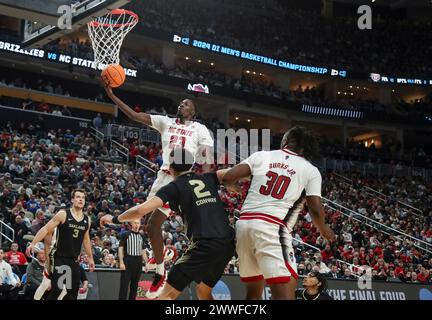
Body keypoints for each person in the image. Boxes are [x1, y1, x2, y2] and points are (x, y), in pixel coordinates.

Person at [102, 81, 214, 298]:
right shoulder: (166, 122)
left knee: (197, 223)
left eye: (186, 104)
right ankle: (161, 269)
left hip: (184, 179)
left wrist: (208, 180)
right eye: (180, 103)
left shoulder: (200, 129)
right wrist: (111, 94)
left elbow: (207, 158)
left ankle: (195, 262)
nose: (182, 105)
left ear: (193, 111)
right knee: (152, 225)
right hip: (164, 177)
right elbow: (136, 116)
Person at [101, 149, 235, 300]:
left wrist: (114, 219)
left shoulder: (174, 187)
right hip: (228, 244)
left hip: (205, 245)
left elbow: (141, 210)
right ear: (191, 165)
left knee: (166, 296)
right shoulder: (208, 177)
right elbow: (231, 172)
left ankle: (161, 272)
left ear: (170, 168)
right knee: (203, 291)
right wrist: (233, 183)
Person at [222, 126, 335, 300]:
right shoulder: (310, 170)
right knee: (285, 292)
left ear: (286, 141)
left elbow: (228, 177)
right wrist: (323, 229)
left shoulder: (261, 155)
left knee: (252, 295)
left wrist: (231, 186)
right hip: (272, 227)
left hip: (244, 226)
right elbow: (314, 207)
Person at [26, 189, 95, 300]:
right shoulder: (63, 214)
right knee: (57, 290)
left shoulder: (87, 219)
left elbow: (86, 240)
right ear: (72, 200)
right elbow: (45, 229)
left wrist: (91, 258)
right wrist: (33, 243)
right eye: (78, 197)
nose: (81, 199)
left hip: (74, 260)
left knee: (72, 293)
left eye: (83, 197)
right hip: (60, 258)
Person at [118, 220, 147, 300]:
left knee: (135, 286)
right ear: (131, 224)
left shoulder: (142, 236)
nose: (136, 224)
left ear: (140, 224)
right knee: (124, 286)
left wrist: (147, 263)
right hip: (128, 260)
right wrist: (121, 262)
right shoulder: (125, 234)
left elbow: (143, 250)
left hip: (138, 262)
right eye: (135, 223)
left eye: (138, 223)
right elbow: (120, 248)